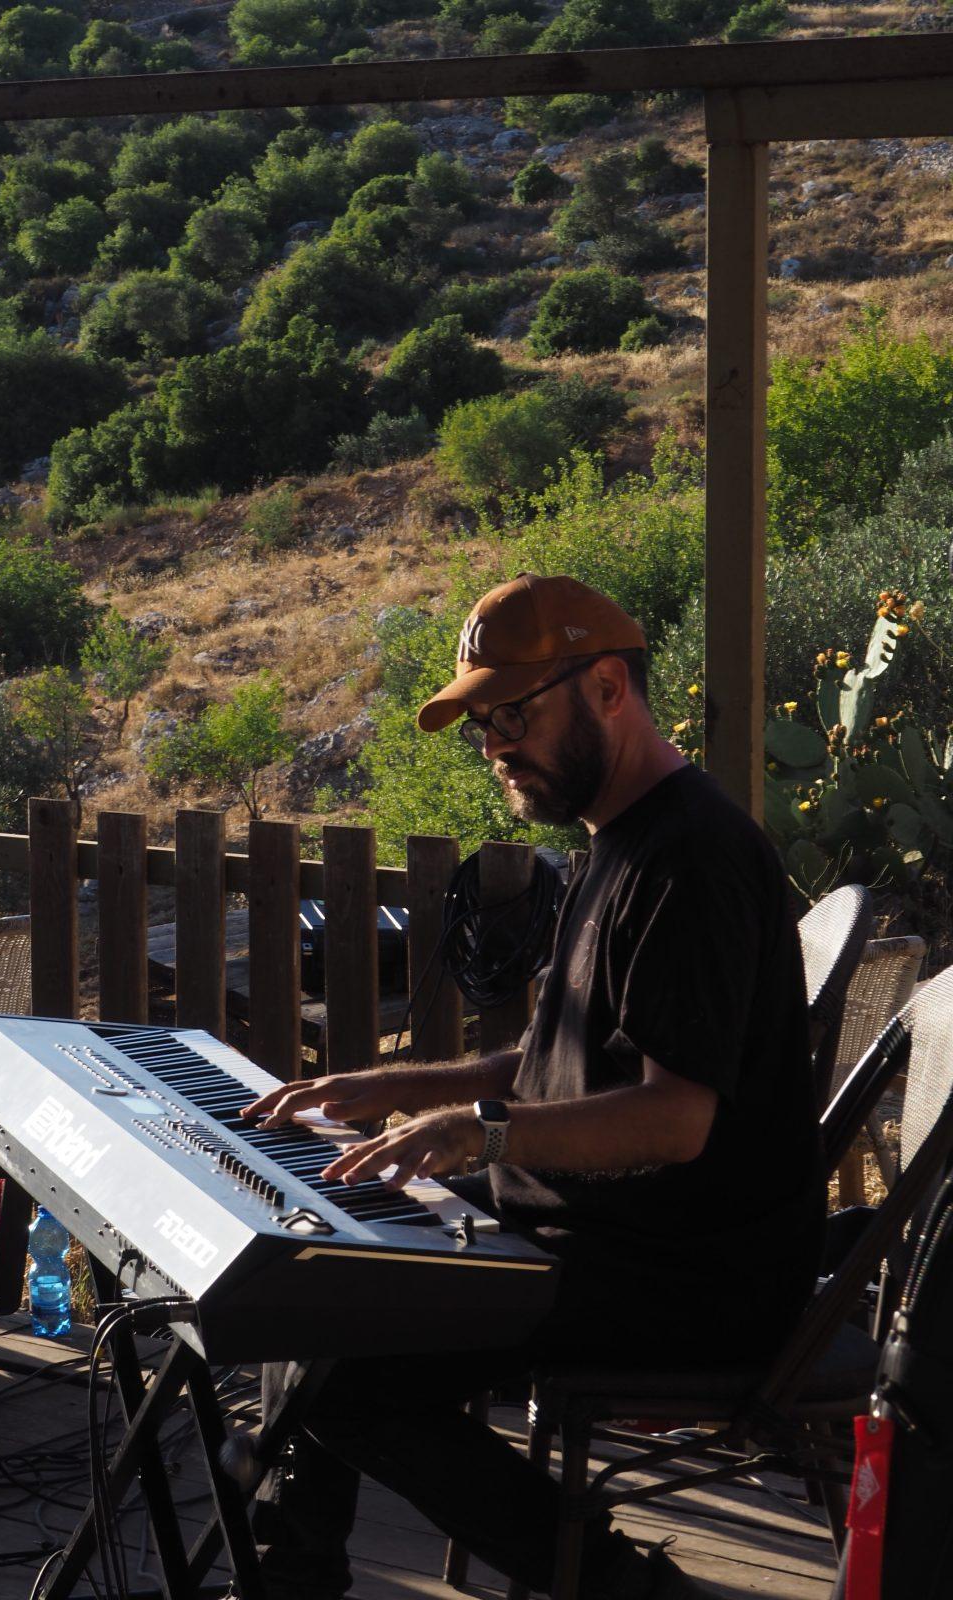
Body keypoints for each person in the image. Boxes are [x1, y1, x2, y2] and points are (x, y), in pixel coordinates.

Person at [241, 574, 827, 1600]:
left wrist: (483, 1133)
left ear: (607, 687)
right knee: (319, 1270)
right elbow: (565, 1055)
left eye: (514, 713)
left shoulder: (692, 860)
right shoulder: (621, 838)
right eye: (481, 723)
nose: (495, 744)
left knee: (350, 1375)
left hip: (684, 1277)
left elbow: (676, 1117)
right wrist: (399, 1084)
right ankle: (285, 1576)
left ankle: (618, 1587)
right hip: (599, 1231)